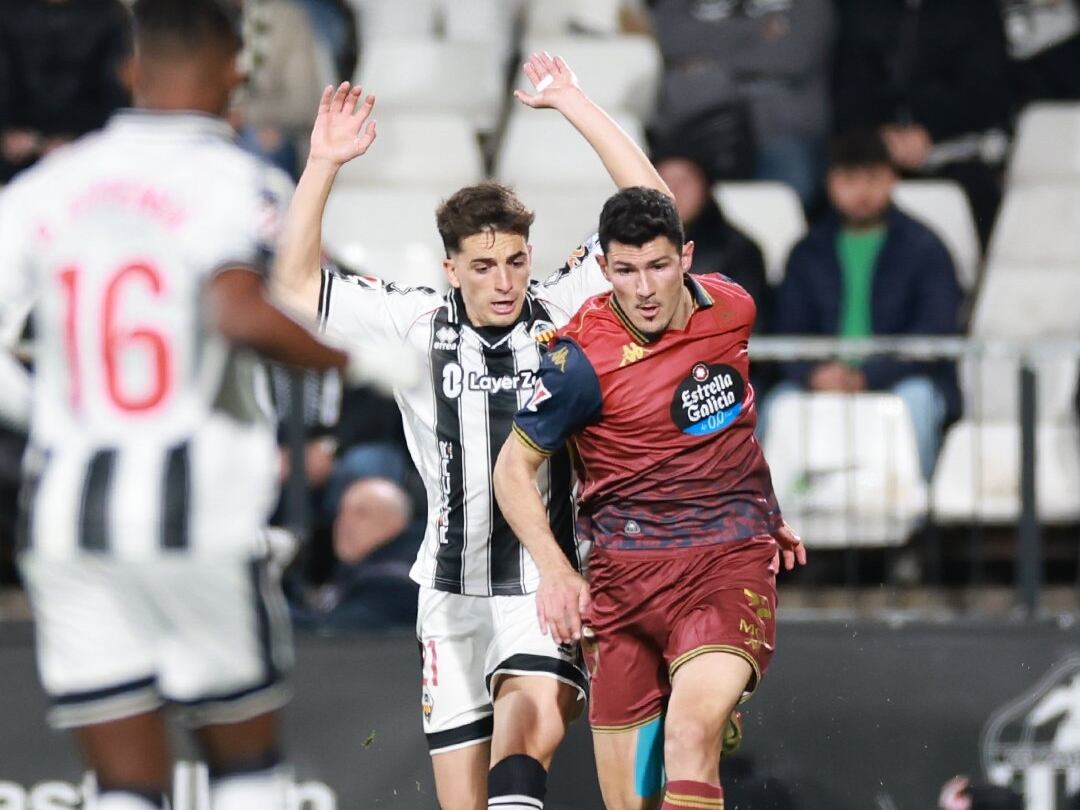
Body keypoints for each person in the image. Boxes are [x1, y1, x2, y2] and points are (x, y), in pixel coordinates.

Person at [0, 2, 410, 808]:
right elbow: (235, 308)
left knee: (122, 783)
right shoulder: (232, 177)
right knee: (245, 770)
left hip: (67, 515)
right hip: (194, 513)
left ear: (129, 68)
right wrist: (365, 361)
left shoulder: (44, 188)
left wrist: (42, 410)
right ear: (235, 73)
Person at [273, 53, 671, 810]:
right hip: (448, 593)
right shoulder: (415, 321)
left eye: (516, 260)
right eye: (484, 265)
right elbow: (293, 284)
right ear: (451, 268)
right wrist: (323, 161)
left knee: (525, 744)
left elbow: (651, 203)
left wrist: (575, 104)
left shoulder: (563, 307)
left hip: (541, 583)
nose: (504, 281)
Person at [492, 186, 806, 810]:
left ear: (686, 258)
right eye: (626, 271)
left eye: (659, 266)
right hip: (622, 587)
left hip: (727, 561)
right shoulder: (577, 360)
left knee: (690, 734)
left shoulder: (731, 308)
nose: (644, 289)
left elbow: (734, 418)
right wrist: (556, 570)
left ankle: (707, 705)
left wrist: (765, 511)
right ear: (603, 269)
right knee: (633, 798)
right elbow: (511, 472)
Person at [771, 129, 963, 480]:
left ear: (893, 179)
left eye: (873, 178)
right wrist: (815, 374)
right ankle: (774, 521)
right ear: (830, 183)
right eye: (849, 179)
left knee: (916, 401)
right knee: (775, 405)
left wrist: (866, 375)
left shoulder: (926, 248)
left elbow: (934, 334)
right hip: (823, 380)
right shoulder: (806, 252)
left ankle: (918, 517)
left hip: (901, 380)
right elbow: (787, 332)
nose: (862, 192)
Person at [832, 0, 1013, 246]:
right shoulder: (861, 9)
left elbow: (987, 90)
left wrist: (930, 131)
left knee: (976, 204)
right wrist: (879, 136)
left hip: (959, 151)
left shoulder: (975, 8)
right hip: (876, 149)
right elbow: (849, 89)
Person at [0, 0, 131, 182]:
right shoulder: (7, 11)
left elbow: (116, 93)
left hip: (88, 144)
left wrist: (79, 138)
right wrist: (6, 132)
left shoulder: (109, 14)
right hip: (17, 147)